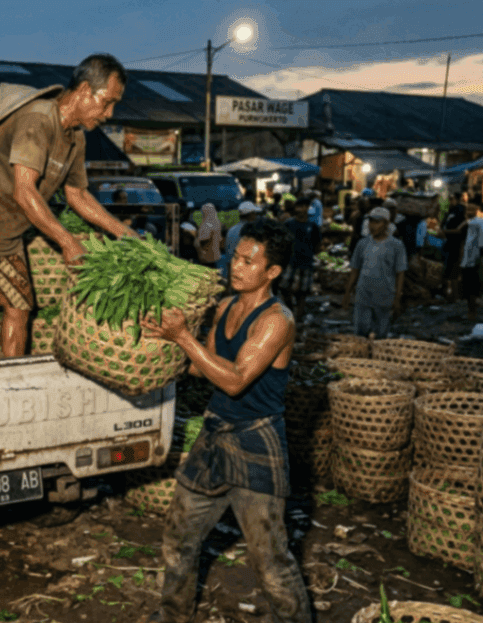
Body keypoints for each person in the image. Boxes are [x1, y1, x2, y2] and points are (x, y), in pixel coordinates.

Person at [140, 219, 310, 623]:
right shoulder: (228, 306)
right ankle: (172, 615)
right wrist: (165, 343)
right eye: (236, 257)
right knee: (179, 538)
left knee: (270, 562)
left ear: (272, 272)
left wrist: (183, 338)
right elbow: (207, 368)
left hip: (256, 442)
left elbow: (234, 380)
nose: (236, 267)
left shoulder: (277, 321)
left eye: (249, 262)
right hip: (215, 435)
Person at [0, 54, 136, 364]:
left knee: (19, 308)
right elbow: (25, 192)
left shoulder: (75, 139)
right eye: (106, 102)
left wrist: (127, 234)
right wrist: (67, 241)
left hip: (7, 234)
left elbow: (78, 195)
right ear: (83, 91)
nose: (109, 113)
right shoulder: (38, 118)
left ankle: (14, 378)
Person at [342, 207, 407, 339]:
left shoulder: (396, 245)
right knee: (361, 332)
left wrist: (397, 298)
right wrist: (347, 293)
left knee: (380, 334)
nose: (372, 226)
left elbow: (400, 273)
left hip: (385, 295)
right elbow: (355, 270)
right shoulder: (363, 244)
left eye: (377, 222)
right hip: (363, 294)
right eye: (371, 222)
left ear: (386, 224)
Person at [281, 198, 321, 322]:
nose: (301, 209)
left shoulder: (312, 226)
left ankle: (298, 319)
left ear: (307, 209)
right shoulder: (288, 224)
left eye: (304, 207)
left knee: (302, 293)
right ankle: (290, 312)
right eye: (299, 206)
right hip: (290, 263)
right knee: (284, 288)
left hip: (306, 263)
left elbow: (317, 245)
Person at [460, 202, 483, 321]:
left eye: (472, 209)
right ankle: (471, 310)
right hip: (468, 259)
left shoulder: (477, 222)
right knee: (469, 287)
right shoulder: (471, 222)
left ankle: (472, 312)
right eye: (467, 209)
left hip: (473, 259)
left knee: (471, 287)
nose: (469, 211)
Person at [220, 201, 262, 280]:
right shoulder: (251, 230)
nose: (256, 216)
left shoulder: (231, 230)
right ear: (250, 215)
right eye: (254, 213)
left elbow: (228, 254)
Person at [441, 203, 468, 302]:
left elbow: (442, 229)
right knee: (455, 274)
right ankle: (455, 296)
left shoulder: (449, 219)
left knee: (446, 272)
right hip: (456, 248)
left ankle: (446, 294)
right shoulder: (462, 221)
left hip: (447, 246)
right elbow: (462, 236)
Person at [193, 203, 222, 268]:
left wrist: (195, 238)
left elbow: (204, 240)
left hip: (206, 258)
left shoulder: (207, 225)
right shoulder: (217, 223)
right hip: (215, 257)